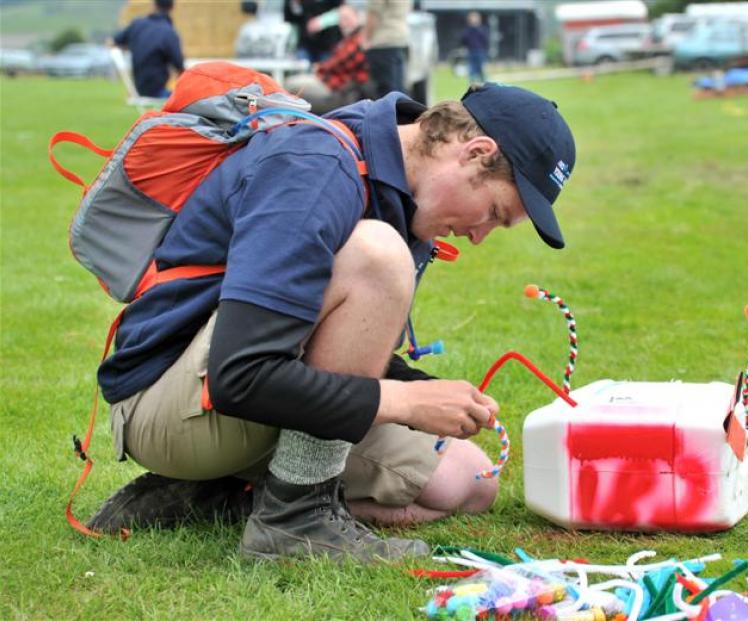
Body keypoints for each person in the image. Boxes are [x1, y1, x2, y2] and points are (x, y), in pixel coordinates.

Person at [86, 82, 577, 563]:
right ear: (475, 152)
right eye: (493, 212)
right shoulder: (316, 168)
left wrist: (429, 392)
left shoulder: (399, 193)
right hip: (167, 403)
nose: (478, 237)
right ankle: (295, 520)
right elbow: (241, 375)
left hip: (234, 399)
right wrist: (404, 399)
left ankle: (224, 496)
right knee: (378, 255)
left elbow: (323, 342)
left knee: (468, 482)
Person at [285, 4, 370, 114]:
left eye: (347, 18)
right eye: (341, 19)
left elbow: (339, 63)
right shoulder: (349, 38)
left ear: (357, 17)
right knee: (291, 84)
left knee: (290, 85)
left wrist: (320, 67)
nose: (343, 23)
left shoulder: (357, 39)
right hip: (331, 80)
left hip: (335, 86)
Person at [112, 0, 184, 98]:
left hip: (137, 88)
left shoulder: (137, 24)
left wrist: (133, 47)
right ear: (172, 7)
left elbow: (114, 41)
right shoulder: (169, 32)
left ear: (154, 5)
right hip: (158, 91)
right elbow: (179, 65)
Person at [365, 0, 410, 97]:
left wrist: (367, 38)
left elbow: (374, 15)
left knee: (385, 92)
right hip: (400, 39)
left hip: (382, 41)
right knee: (399, 90)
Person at [461, 11, 489, 85]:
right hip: (471, 52)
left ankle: (485, 85)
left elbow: (485, 40)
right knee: (472, 70)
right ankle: (472, 85)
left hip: (480, 51)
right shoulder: (467, 30)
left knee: (481, 70)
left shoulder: (481, 29)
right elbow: (464, 39)